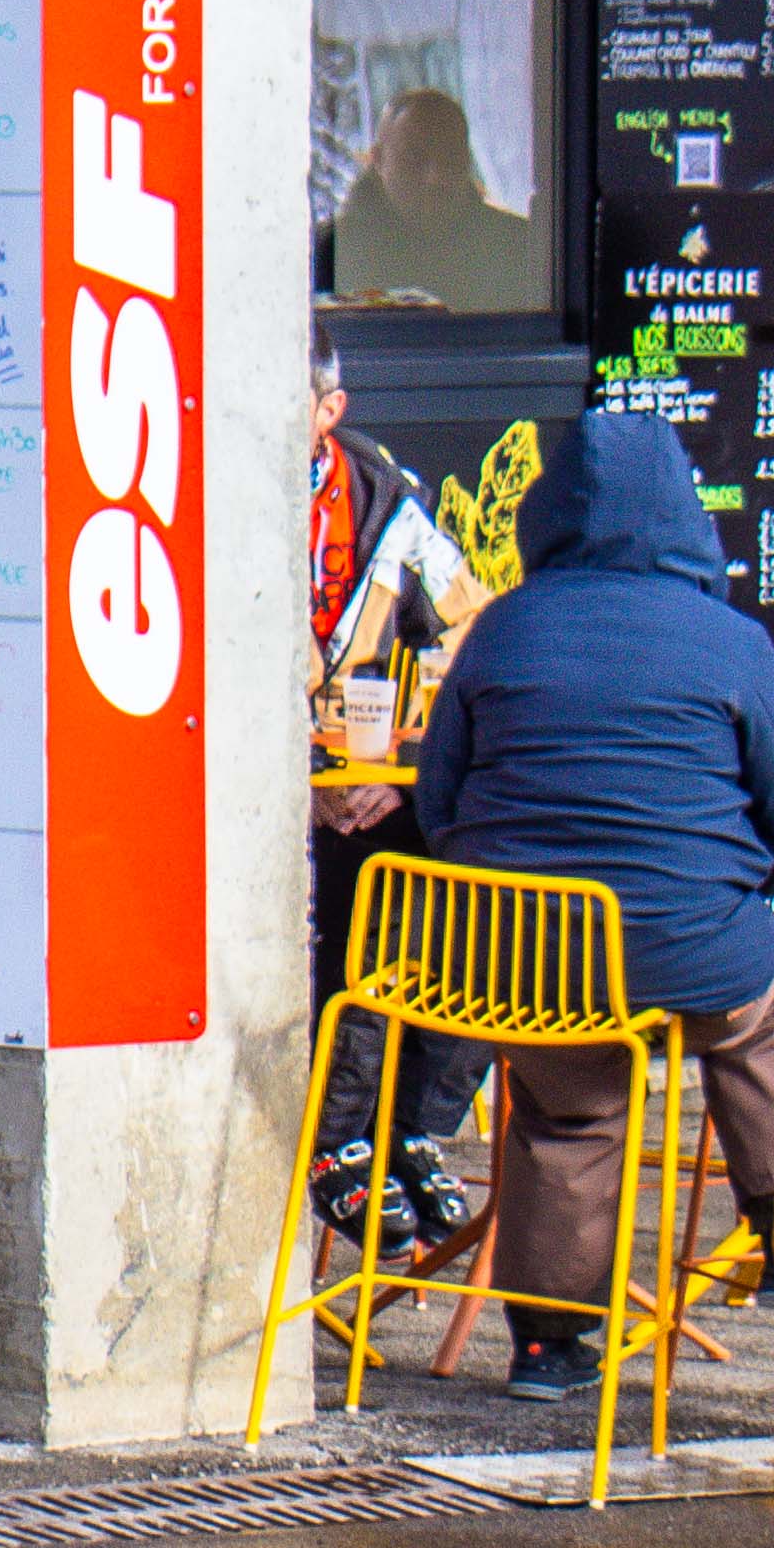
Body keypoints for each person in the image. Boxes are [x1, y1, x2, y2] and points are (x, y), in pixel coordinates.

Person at [403, 414, 774, 1400]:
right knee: (760, 1016)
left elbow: (436, 797)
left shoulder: (503, 627)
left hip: (524, 954)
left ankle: (549, 1343)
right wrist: (731, 880)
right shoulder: (730, 640)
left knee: (563, 1102)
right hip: (686, 947)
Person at [303, 345, 491, 1227]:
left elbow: (476, 636)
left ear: (329, 408)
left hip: (368, 779)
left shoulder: (389, 505)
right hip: (243, 798)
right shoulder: (197, 490)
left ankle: (415, 1122)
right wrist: (293, 786)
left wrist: (408, 775)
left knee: (468, 867)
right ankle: (338, 1132)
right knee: (355, 892)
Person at [327, 89, 544, 313]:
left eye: (450, 157)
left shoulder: (523, 250)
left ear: (467, 160)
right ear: (379, 160)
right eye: (414, 158)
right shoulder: (330, 256)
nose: (435, 177)